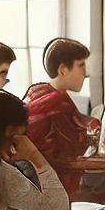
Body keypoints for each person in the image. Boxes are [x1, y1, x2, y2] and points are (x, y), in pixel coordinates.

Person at [24, 38, 97, 197]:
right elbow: (76, 144)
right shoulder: (55, 102)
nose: (86, 74)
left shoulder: (38, 91)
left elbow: (78, 123)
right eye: (81, 66)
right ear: (63, 69)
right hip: (52, 185)